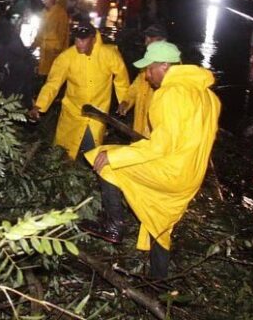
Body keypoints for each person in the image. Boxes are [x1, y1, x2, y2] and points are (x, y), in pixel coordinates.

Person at [82, 41, 221, 279]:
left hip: (170, 172)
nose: (146, 75)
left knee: (105, 157)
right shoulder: (209, 97)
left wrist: (114, 156)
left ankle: (114, 225)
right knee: (159, 223)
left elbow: (160, 146)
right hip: (191, 177)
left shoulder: (168, 94)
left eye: (150, 68)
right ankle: (159, 283)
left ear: (165, 66)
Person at [29, 23, 130, 160]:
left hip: (96, 115)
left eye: (83, 40)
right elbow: (53, 84)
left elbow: (121, 79)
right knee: (64, 154)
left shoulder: (109, 55)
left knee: (91, 154)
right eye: (76, 39)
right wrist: (39, 105)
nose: (79, 43)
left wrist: (124, 100)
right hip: (73, 113)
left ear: (93, 39)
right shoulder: (67, 57)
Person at [116, 23, 168, 137]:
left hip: (155, 133)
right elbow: (136, 86)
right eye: (146, 38)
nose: (146, 42)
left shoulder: (169, 69)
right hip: (139, 126)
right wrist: (126, 101)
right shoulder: (147, 62)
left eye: (150, 39)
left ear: (163, 40)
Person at [31, 0, 70, 76]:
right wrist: (35, 44)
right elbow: (40, 30)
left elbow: (62, 31)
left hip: (54, 48)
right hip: (45, 47)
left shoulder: (60, 12)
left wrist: (59, 46)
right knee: (44, 72)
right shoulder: (43, 13)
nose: (44, 1)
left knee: (54, 72)